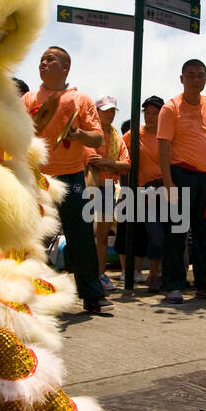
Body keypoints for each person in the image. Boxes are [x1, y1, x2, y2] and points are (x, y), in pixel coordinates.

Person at [21, 46, 112, 315]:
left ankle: (92, 295)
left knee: (81, 237)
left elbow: (97, 138)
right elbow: (17, 134)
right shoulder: (27, 99)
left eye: (50, 60)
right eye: (41, 60)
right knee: (36, 237)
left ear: (65, 68)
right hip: (38, 175)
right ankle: (37, 295)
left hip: (72, 175)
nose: (43, 63)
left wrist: (79, 135)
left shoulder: (79, 99)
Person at [157, 59, 206, 303]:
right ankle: (173, 285)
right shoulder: (170, 108)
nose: (195, 79)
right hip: (180, 175)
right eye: (191, 75)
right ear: (182, 78)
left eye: (200, 75)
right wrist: (168, 182)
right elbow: (163, 146)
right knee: (177, 232)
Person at [84, 93, 129, 293]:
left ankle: (100, 274)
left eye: (112, 110)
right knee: (85, 234)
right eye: (106, 110)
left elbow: (126, 164)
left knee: (102, 235)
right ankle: (86, 275)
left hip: (108, 188)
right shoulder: (89, 133)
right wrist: (112, 165)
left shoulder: (117, 137)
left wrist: (109, 164)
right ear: (96, 111)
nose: (110, 114)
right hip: (88, 186)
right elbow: (88, 158)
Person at [120, 95, 165, 289]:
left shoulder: (169, 132)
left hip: (169, 188)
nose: (151, 116)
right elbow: (118, 148)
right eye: (147, 112)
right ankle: (154, 274)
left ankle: (162, 275)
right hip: (145, 191)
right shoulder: (134, 133)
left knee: (174, 234)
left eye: (155, 113)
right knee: (155, 234)